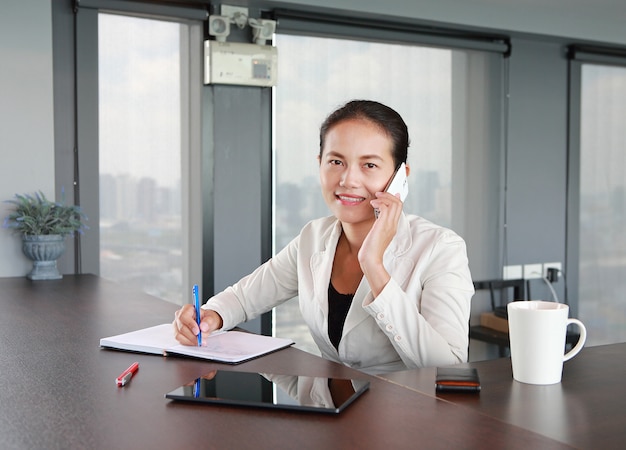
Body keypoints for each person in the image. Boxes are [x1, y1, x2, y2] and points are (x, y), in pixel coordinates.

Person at [173, 99, 474, 374]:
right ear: (319, 164)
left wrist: (374, 266)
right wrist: (210, 316)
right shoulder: (314, 237)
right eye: (336, 162)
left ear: (400, 177)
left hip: (406, 420)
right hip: (329, 411)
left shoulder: (440, 249)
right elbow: (244, 297)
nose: (348, 180)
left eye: (369, 165)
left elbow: (447, 367)